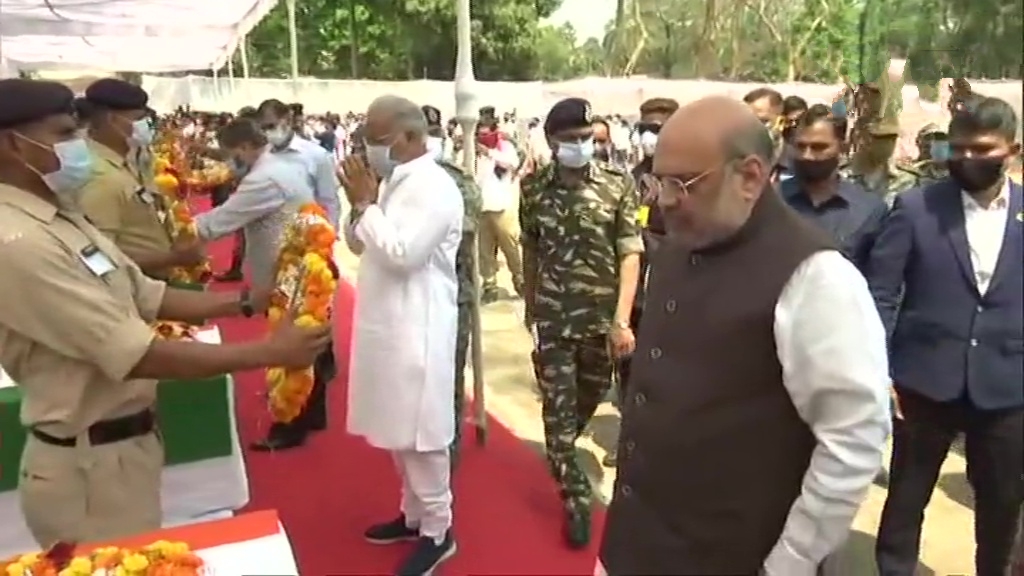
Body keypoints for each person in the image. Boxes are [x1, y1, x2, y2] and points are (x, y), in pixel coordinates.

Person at [0, 78, 332, 549]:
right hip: (86, 465)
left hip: (116, 454)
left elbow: (147, 295)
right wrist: (268, 352)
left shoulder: (58, 216)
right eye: (62, 134)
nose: (78, 146)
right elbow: (136, 354)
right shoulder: (18, 241)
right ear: (15, 144)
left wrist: (242, 302)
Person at [597, 96, 890, 575]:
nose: (665, 200)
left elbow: (853, 441)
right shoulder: (678, 243)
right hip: (638, 543)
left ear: (750, 177)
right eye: (657, 180)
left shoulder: (816, 278)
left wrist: (790, 562)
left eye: (682, 184)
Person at [869, 97, 1023, 576]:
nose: (968, 159)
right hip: (921, 382)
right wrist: (880, 371)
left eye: (982, 149)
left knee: (1000, 506)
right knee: (906, 499)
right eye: (958, 149)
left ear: (1011, 150)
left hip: (1007, 386)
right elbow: (882, 294)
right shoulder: (916, 208)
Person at [340, 95, 461, 576]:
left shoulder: (435, 187)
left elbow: (404, 254)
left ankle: (439, 530)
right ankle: (413, 515)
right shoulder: (393, 180)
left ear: (411, 138)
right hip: (387, 323)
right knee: (397, 428)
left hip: (420, 328)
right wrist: (361, 207)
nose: (369, 149)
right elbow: (357, 241)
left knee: (422, 434)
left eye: (378, 139)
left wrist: (367, 205)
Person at [520, 97, 643, 548]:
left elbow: (630, 251)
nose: (580, 145)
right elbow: (532, 247)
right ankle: (576, 497)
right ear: (552, 141)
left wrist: (622, 319)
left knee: (585, 401)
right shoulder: (534, 188)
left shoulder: (617, 184)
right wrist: (530, 303)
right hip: (553, 319)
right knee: (557, 409)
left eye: (585, 137)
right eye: (570, 139)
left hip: (600, 321)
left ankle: (562, 451)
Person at [604, 97, 676, 469]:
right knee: (630, 372)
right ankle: (629, 437)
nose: (651, 136)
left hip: (675, 294)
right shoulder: (630, 178)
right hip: (635, 295)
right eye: (646, 128)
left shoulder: (691, 180)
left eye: (659, 129)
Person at [77, 78, 203, 280]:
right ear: (112, 119)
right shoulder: (99, 176)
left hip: (151, 282)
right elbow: (96, 256)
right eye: (138, 118)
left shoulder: (133, 159)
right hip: (129, 288)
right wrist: (171, 258)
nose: (146, 126)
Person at [423, 104, 483, 463]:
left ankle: (448, 453)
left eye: (434, 132)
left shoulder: (458, 179)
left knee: (447, 381)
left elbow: (463, 233)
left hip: (451, 296)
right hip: (407, 298)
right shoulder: (393, 179)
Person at [781, 103, 887, 271]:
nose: (806, 156)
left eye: (819, 147)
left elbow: (878, 281)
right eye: (800, 147)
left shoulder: (869, 211)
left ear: (842, 147)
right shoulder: (770, 201)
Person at [256, 99, 340, 229]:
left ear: (287, 120)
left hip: (306, 236)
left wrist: (329, 233)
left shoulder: (316, 155)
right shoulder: (260, 156)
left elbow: (328, 200)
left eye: (272, 126)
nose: (268, 132)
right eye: (263, 128)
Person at [476, 113, 524, 303]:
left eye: (486, 134)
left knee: (510, 246)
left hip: (502, 207)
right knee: (484, 251)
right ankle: (490, 286)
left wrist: (489, 153)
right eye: (480, 135)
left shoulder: (505, 148)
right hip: (481, 208)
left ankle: (519, 280)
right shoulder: (472, 152)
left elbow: (511, 164)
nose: (483, 138)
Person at [842, 115, 921, 206]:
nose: (887, 145)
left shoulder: (906, 180)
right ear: (861, 138)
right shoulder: (841, 175)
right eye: (879, 139)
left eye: (892, 139)